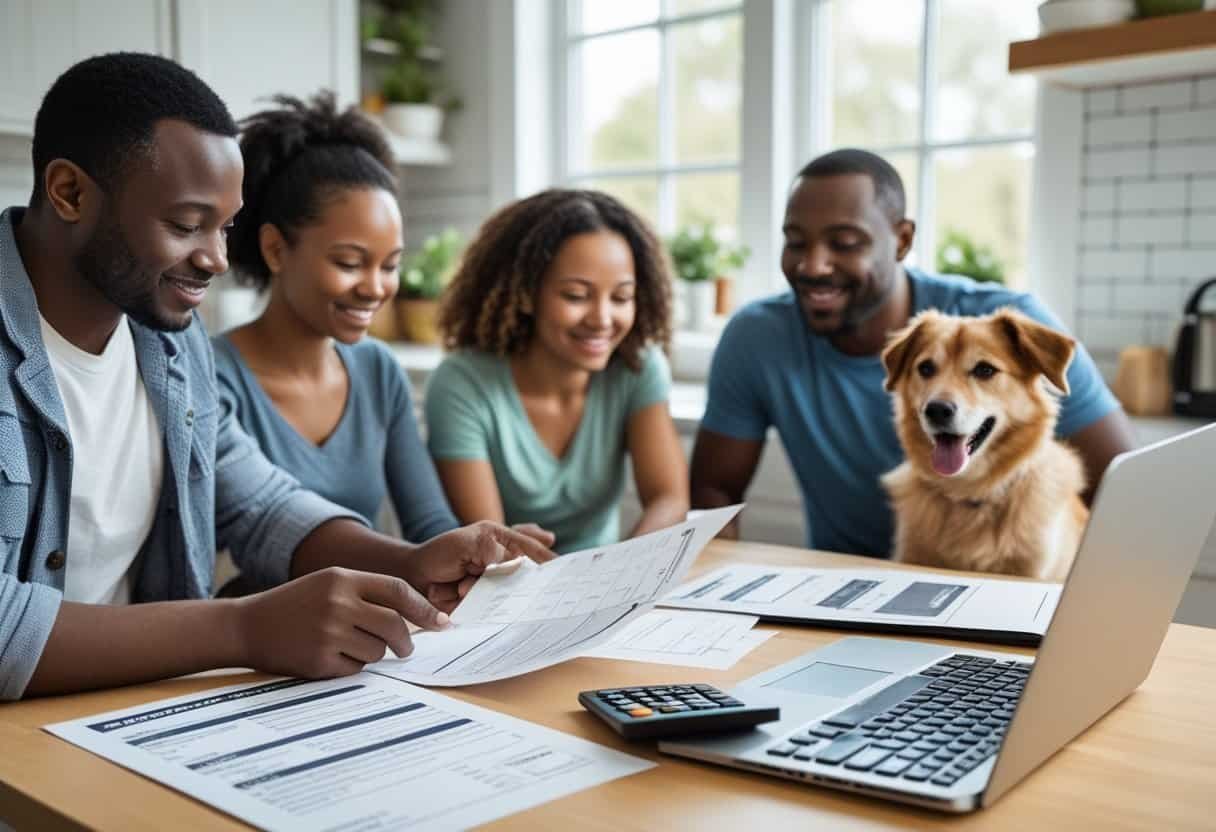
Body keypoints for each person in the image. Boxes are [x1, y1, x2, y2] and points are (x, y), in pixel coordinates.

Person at [0, 53, 552, 701]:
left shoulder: (170, 346)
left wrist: (405, 563)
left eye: (224, 227)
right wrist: (242, 627)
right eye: (185, 224)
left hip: (127, 717)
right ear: (70, 193)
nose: (214, 258)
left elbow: (261, 507)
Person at [690, 148, 1136, 557]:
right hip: (842, 585)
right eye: (796, 242)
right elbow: (714, 489)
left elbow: (1125, 488)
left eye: (844, 243)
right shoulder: (757, 338)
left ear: (902, 240)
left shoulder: (1008, 325)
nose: (812, 265)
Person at [213, 92, 459, 543]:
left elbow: (431, 527)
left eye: (389, 265)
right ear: (275, 249)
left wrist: (485, 553)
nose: (375, 288)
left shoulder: (377, 370)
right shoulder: (214, 376)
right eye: (349, 263)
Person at [425, 189, 689, 554]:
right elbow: (490, 544)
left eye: (621, 297)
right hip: (499, 589)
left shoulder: (637, 368)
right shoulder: (461, 384)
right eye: (576, 296)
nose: (602, 319)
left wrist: (624, 569)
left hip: (604, 585)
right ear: (525, 294)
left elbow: (669, 498)